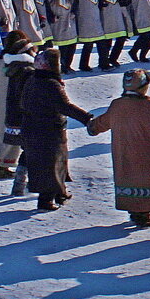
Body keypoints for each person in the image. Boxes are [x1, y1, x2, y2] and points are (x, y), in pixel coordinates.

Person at [87, 69, 150, 228]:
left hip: (123, 152)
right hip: (147, 154)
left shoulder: (117, 105)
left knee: (129, 179)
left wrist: (93, 126)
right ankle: (143, 214)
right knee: (146, 181)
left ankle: (135, 211)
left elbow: (101, 123)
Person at [20, 49, 93, 211]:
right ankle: (46, 200)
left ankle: (60, 192)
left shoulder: (32, 79)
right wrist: (87, 118)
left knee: (54, 162)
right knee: (51, 164)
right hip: (48, 131)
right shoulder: (51, 84)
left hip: (31, 128)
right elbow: (65, 106)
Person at [0, 31, 34, 180]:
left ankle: (0, 162)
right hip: (15, 104)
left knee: (0, 133)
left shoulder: (0, 60)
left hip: (0, 103)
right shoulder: (21, 65)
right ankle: (3, 166)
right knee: (12, 136)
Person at [45, 0, 78, 72]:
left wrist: (74, 13)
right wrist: (52, 18)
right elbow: (47, 10)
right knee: (63, 47)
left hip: (70, 23)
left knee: (72, 46)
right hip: (59, 24)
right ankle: (62, 67)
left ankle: (68, 65)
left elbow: (75, 6)